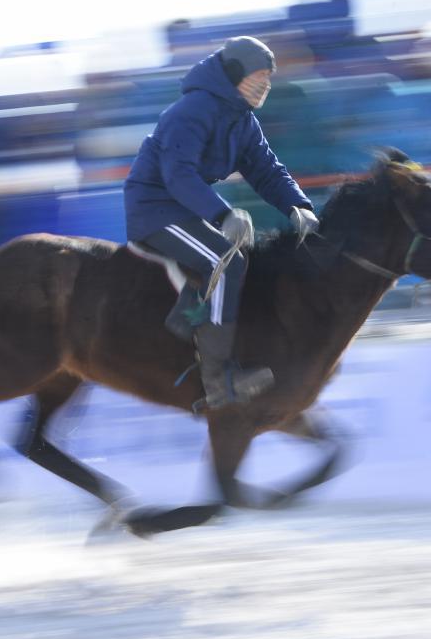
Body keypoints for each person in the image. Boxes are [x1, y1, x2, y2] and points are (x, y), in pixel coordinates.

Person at [123, 36, 320, 410]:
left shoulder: (243, 120)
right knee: (225, 260)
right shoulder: (191, 111)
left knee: (251, 255)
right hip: (155, 209)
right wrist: (223, 214)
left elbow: (267, 170)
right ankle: (218, 380)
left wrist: (297, 205)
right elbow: (178, 175)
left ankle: (187, 319)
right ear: (232, 74)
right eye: (258, 76)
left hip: (187, 209)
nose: (265, 85)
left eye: (269, 77)